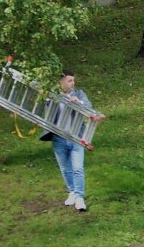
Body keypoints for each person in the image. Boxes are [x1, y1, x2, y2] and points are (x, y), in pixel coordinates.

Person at [41, 70, 91, 212]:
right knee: (65, 169)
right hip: (59, 138)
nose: (73, 83)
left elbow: (89, 107)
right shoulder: (52, 96)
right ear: (61, 82)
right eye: (69, 81)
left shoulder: (79, 94)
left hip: (76, 138)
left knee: (78, 168)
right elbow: (43, 108)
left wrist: (79, 102)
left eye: (73, 80)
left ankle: (80, 198)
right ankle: (72, 192)